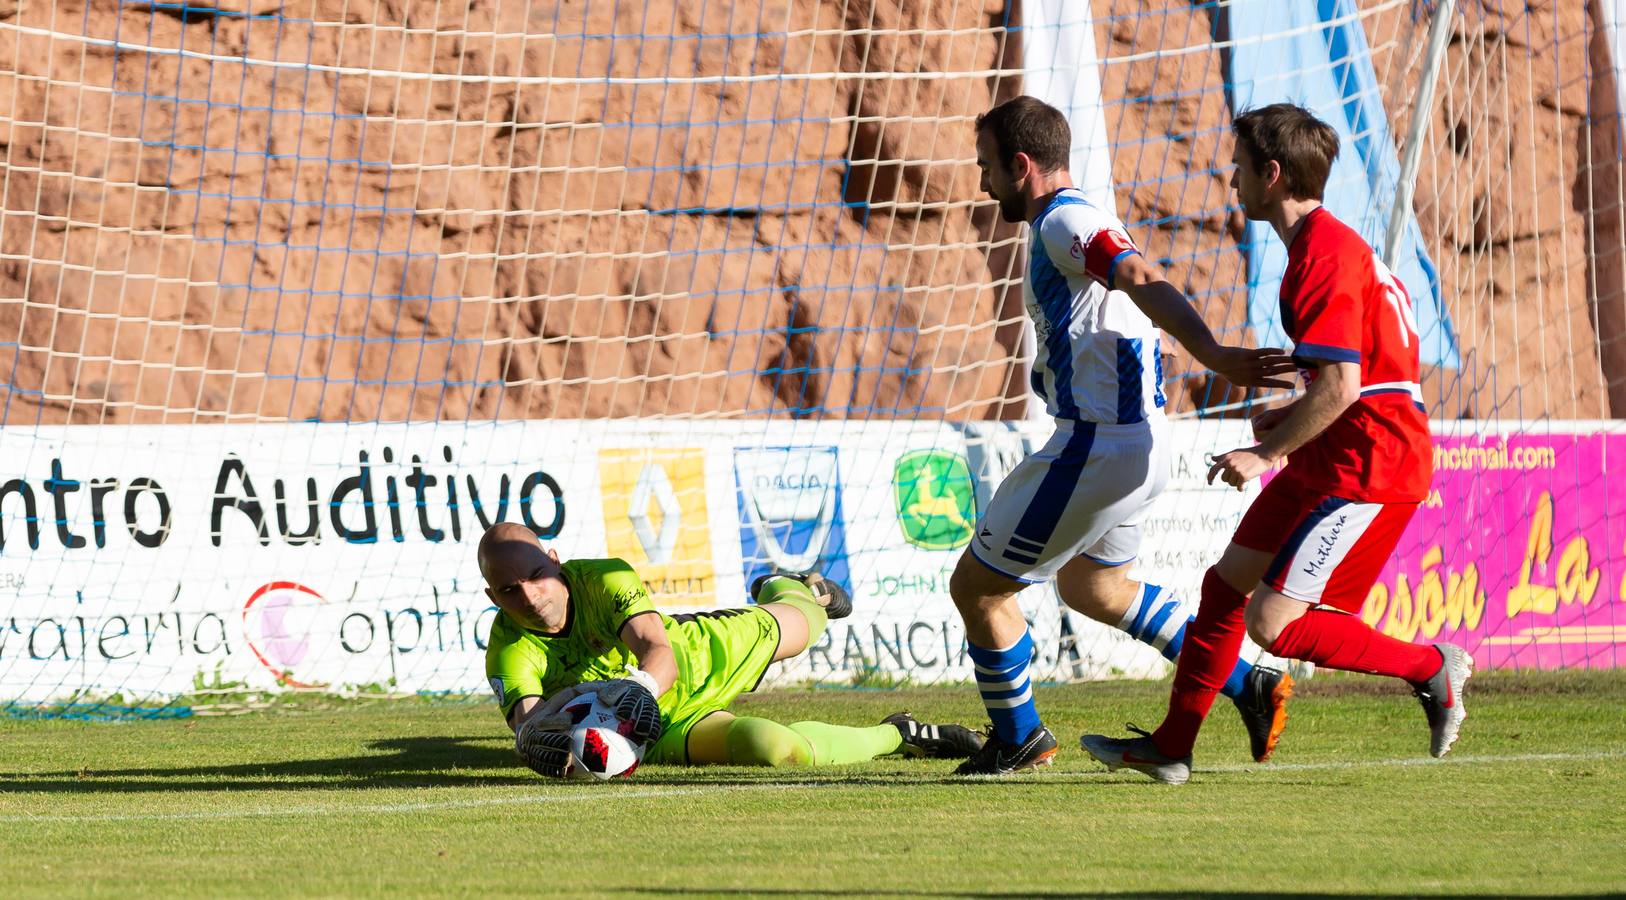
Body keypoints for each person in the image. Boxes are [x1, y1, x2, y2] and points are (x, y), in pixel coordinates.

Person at [1081, 103, 1471, 784]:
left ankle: (1432, 666)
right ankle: (1171, 747)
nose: (1232, 182)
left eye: (1239, 168)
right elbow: (1367, 376)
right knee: (1224, 586)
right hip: (1339, 449)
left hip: (1369, 466)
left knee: (1276, 624)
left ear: (1272, 172)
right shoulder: (1326, 247)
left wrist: (1269, 452)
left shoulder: (1320, 256)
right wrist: (1291, 418)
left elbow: (1345, 383)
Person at [951, 95, 1300, 775]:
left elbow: (1140, 275)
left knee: (978, 589)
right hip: (1141, 443)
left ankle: (1018, 735)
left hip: (1097, 449)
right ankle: (1247, 683)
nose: (983, 182)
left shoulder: (1065, 220)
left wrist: (1213, 354)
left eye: (987, 167)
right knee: (1095, 589)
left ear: (1021, 165)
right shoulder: (1075, 219)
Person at [477, 522, 983, 776]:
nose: (529, 595)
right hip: (657, 731)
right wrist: (538, 739)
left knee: (808, 625)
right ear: (490, 597)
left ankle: (786, 587)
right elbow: (527, 720)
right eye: (508, 590)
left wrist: (636, 691)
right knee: (774, 750)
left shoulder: (603, 577)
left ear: (555, 559)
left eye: (537, 575)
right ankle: (898, 735)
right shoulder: (506, 648)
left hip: (697, 658)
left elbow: (657, 649)